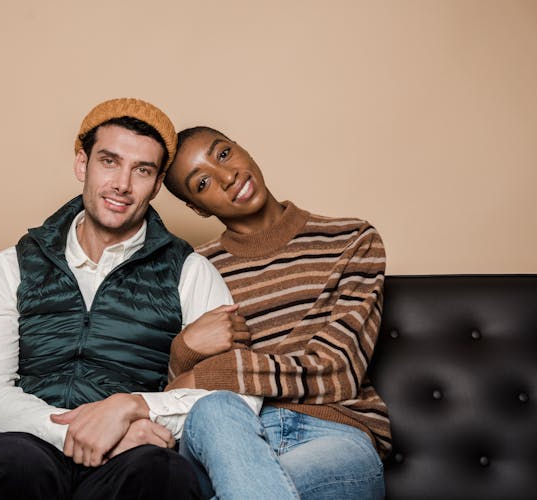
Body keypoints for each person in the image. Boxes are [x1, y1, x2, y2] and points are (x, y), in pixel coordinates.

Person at [0, 100, 257, 500]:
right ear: (83, 164)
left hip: (133, 455)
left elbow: (238, 399)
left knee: (162, 474)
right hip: (25, 441)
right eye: (109, 162)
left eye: (142, 170)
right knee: (11, 464)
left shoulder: (189, 270)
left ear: (158, 182)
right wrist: (84, 432)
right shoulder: (11, 267)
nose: (122, 184)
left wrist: (134, 409)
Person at [163, 126, 392, 500]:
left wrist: (211, 372)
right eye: (202, 183)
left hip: (335, 435)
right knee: (214, 408)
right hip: (228, 440)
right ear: (197, 208)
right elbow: (175, 396)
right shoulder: (195, 269)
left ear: (243, 148)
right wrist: (184, 348)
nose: (227, 176)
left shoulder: (353, 240)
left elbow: (339, 370)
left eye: (223, 154)